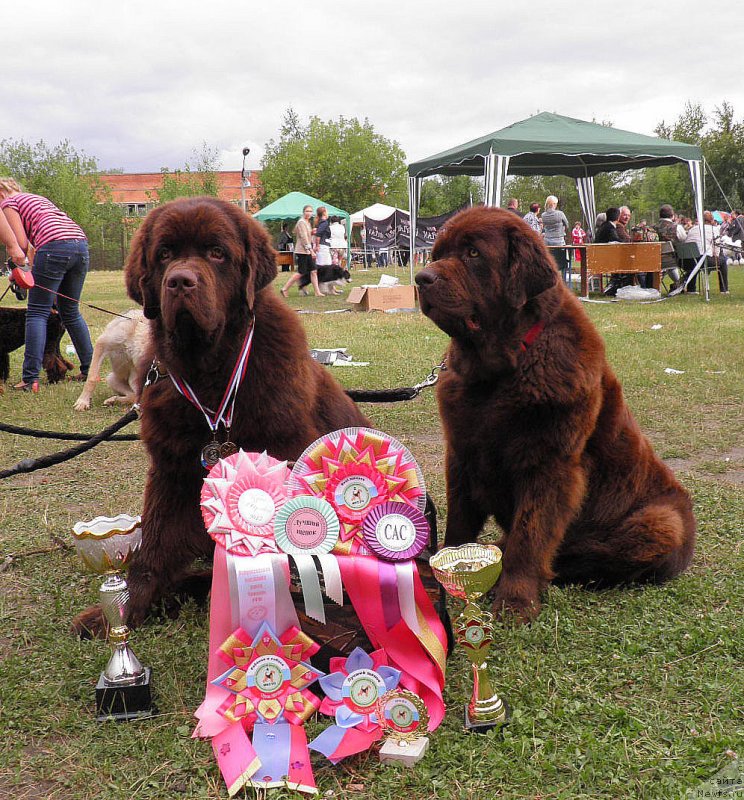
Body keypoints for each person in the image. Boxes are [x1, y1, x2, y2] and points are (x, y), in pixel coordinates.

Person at [0, 177, 93, 392]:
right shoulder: (37, 199)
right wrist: (25, 272)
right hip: (80, 245)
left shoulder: (8, 204)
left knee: (37, 312)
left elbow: (21, 244)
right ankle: (90, 370)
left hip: (53, 246)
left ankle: (30, 378)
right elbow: (32, 250)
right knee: (70, 312)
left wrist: (16, 268)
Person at [281, 204, 321, 297]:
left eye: (311, 211)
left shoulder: (307, 222)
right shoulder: (301, 222)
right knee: (301, 272)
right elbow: (303, 238)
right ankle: (285, 288)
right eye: (307, 211)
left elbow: (306, 235)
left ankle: (317, 292)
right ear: (303, 212)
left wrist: (311, 232)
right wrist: (311, 251)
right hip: (302, 251)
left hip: (307, 250)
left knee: (314, 270)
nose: (309, 213)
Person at [685, 211, 727, 293]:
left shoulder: (692, 229)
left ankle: (691, 289)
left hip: (688, 259)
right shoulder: (714, 229)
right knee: (723, 261)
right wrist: (716, 256)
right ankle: (724, 289)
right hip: (703, 259)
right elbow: (717, 247)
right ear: (712, 220)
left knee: (695, 261)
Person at [654, 204, 686, 292]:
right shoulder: (677, 227)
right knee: (690, 263)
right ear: (672, 215)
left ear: (659, 215)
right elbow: (684, 241)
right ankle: (680, 284)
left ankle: (678, 283)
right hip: (674, 259)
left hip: (655, 259)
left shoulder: (652, 228)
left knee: (670, 265)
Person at [541, 195, 569, 275]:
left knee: (549, 262)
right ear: (553, 204)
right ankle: (564, 281)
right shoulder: (560, 214)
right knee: (561, 263)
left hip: (547, 241)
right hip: (559, 241)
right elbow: (567, 224)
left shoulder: (543, 215)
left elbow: (544, 227)